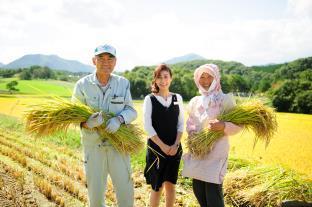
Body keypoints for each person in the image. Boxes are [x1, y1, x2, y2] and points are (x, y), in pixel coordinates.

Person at [72, 44, 137, 207]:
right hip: (93, 148)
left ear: (115, 62)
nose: (105, 62)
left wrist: (119, 119)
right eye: (101, 58)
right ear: (94, 61)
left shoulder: (123, 83)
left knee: (126, 194)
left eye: (110, 58)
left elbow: (131, 110)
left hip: (118, 147)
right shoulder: (82, 85)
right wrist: (88, 123)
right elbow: (73, 117)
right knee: (95, 198)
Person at [182, 64, 242, 207]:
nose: (205, 80)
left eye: (209, 76)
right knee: (199, 191)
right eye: (202, 77)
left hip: (216, 155)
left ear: (216, 77)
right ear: (197, 80)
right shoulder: (195, 101)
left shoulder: (225, 100)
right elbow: (190, 122)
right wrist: (192, 133)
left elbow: (239, 126)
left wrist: (223, 126)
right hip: (198, 152)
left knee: (213, 196)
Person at [143, 64, 184, 207]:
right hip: (156, 149)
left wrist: (175, 145)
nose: (163, 80)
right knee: (157, 187)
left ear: (171, 78)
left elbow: (181, 124)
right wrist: (163, 146)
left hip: (174, 149)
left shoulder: (177, 98)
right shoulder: (150, 99)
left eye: (166, 76)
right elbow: (147, 126)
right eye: (159, 77)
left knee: (171, 186)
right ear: (155, 79)